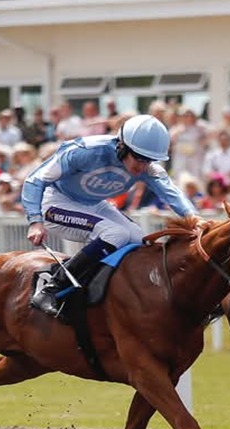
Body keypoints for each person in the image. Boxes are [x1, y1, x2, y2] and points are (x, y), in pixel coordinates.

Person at [23, 114, 200, 319]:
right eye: (139, 159)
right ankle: (52, 287)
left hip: (93, 204)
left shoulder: (147, 166)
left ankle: (119, 296)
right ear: (122, 146)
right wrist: (35, 221)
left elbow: (172, 193)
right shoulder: (86, 151)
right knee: (115, 233)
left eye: (149, 161)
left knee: (137, 237)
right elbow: (34, 179)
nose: (142, 167)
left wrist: (195, 219)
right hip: (54, 202)